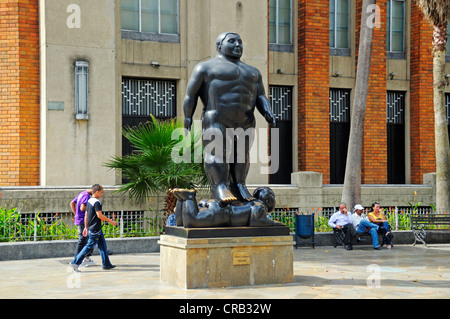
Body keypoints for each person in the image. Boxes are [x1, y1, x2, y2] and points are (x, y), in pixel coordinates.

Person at [183, 32, 276, 206]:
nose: (237, 45)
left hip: (246, 121)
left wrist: (267, 111)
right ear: (219, 45)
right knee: (217, 153)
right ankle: (220, 186)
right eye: (231, 41)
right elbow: (191, 95)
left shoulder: (253, 72)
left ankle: (240, 185)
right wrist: (187, 117)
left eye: (240, 41)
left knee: (242, 155)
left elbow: (261, 96)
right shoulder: (205, 68)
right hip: (217, 118)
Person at [70, 184, 117, 272]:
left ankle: (106, 264)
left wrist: (86, 227)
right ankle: (75, 262)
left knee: (102, 246)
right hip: (95, 229)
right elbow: (99, 215)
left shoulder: (89, 201)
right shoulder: (96, 202)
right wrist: (111, 221)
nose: (102, 194)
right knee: (89, 246)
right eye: (101, 192)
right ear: (97, 192)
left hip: (93, 228)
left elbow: (86, 215)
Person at [70, 187, 95, 266]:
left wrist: (76, 214)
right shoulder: (86, 195)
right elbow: (82, 208)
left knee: (87, 239)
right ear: (94, 190)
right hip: (83, 220)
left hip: (80, 219)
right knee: (83, 239)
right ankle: (77, 259)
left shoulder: (82, 193)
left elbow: (72, 203)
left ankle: (85, 257)